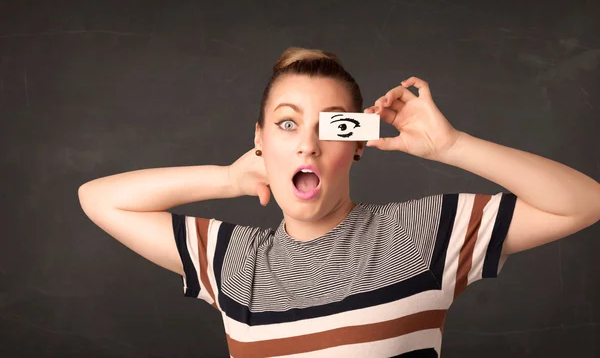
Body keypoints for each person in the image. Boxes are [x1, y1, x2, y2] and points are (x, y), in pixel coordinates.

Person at [78, 47, 600, 357]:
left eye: (330, 125)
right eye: (287, 124)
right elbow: (99, 199)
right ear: (260, 139)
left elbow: (581, 203)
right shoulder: (231, 262)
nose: (306, 143)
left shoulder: (418, 234)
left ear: (355, 145)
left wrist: (453, 146)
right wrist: (228, 177)